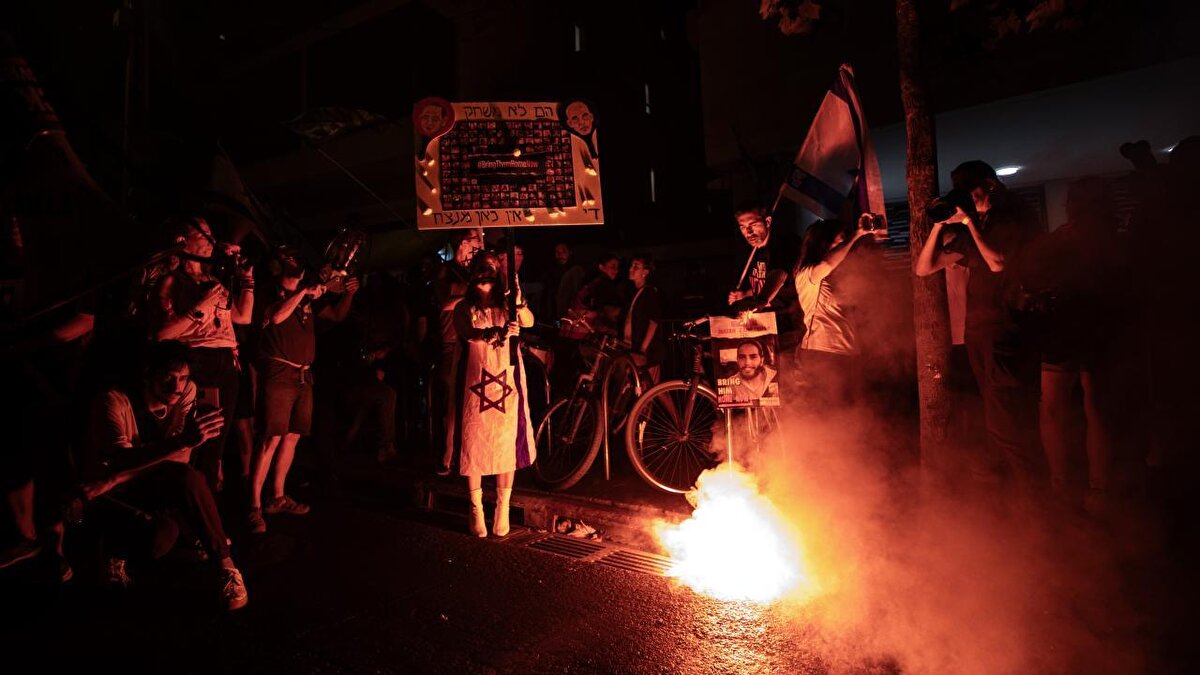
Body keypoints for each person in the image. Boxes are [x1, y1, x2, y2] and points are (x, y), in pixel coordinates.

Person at [81, 341, 249, 610]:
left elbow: (180, 459)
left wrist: (182, 444)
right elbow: (119, 461)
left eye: (183, 378)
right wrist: (181, 441)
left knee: (189, 479)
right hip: (114, 493)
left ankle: (227, 568)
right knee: (159, 540)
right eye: (168, 378)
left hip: (137, 482)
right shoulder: (114, 401)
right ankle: (112, 547)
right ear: (148, 374)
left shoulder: (186, 392)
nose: (177, 387)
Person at [915, 160, 1044, 496]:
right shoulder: (976, 227)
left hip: (1007, 331)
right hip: (979, 332)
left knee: (1008, 419)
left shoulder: (1010, 218)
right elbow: (924, 268)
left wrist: (970, 222)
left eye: (970, 186)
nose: (965, 194)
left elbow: (998, 262)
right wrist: (939, 225)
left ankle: (1037, 501)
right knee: (995, 417)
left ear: (991, 185)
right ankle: (1019, 496)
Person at [246, 247, 358, 534]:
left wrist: (349, 293)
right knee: (270, 438)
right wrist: (303, 293)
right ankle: (253, 506)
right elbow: (275, 317)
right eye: (289, 260)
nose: (295, 263)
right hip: (279, 372)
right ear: (277, 266)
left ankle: (278, 496)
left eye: (297, 259)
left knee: (292, 437)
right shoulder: (268, 292)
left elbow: (335, 316)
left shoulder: (308, 295)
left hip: (303, 374)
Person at [149, 215, 254, 492]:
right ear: (184, 241)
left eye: (210, 233)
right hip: (198, 361)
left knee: (218, 441)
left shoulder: (214, 280)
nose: (211, 240)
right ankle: (184, 503)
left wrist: (247, 281)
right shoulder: (173, 281)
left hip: (226, 363)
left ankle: (207, 507)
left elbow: (243, 316)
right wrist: (199, 308)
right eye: (204, 234)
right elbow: (162, 333)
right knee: (195, 439)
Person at [452, 253, 536, 537]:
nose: (485, 275)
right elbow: (467, 333)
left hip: (507, 379)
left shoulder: (507, 304)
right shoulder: (464, 307)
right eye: (480, 270)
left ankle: (503, 508)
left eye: (490, 270)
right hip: (476, 377)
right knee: (474, 441)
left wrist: (518, 304)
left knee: (504, 443)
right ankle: (475, 507)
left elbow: (529, 321)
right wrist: (490, 333)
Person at [794, 216, 873, 404]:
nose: (844, 248)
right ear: (823, 245)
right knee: (831, 415)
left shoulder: (841, 277)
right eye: (839, 242)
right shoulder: (808, 274)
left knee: (853, 416)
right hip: (823, 354)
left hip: (848, 354)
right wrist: (856, 235)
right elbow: (827, 264)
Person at [433, 228, 484, 475]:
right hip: (452, 341)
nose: (480, 244)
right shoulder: (446, 270)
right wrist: (470, 295)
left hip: (469, 340)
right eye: (477, 239)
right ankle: (447, 454)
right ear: (464, 243)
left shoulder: (471, 271)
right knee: (452, 401)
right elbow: (444, 304)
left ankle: (466, 452)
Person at [621, 253, 665, 382]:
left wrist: (643, 349)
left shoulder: (650, 293)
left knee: (654, 386)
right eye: (631, 266)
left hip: (649, 351)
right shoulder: (635, 293)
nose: (631, 269)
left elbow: (653, 322)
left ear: (645, 272)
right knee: (650, 386)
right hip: (637, 348)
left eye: (636, 266)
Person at [567, 252, 622, 337]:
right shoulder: (605, 284)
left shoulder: (591, 282)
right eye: (613, 266)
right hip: (584, 331)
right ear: (601, 267)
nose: (616, 270)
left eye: (617, 267)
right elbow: (609, 311)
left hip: (572, 328)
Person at [729, 339, 777, 403]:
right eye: (742, 357)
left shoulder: (775, 376)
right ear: (737, 360)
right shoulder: (730, 383)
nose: (747, 363)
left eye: (753, 357)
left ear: (761, 360)